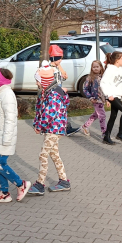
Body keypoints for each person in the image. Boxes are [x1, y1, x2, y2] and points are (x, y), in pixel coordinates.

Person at [29, 51, 72, 196]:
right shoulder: (46, 92)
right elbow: (40, 109)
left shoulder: (53, 94)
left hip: (55, 128)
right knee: (54, 154)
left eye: (38, 80)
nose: (36, 83)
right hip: (52, 128)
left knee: (43, 154)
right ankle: (64, 181)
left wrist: (39, 126)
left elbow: (49, 114)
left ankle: (40, 184)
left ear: (44, 80)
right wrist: (37, 123)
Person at [0, 68, 32, 203]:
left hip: (4, 137)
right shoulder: (1, 93)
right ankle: (4, 193)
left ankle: (20, 184)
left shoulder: (7, 94)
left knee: (0, 165)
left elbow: (10, 119)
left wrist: (6, 139)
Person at [100, 52, 122, 145]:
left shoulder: (121, 70)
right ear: (117, 60)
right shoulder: (110, 70)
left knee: (113, 116)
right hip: (112, 96)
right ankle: (120, 133)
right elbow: (103, 83)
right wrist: (108, 94)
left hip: (118, 95)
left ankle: (107, 136)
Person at [81, 60, 107, 137]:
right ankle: (104, 132)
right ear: (91, 68)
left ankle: (85, 126)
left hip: (102, 99)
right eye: (94, 67)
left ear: (101, 67)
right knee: (102, 115)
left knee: (96, 114)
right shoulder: (90, 78)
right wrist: (90, 97)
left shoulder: (103, 76)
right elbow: (85, 89)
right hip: (96, 99)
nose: (95, 68)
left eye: (97, 67)